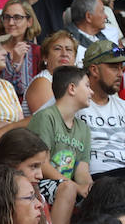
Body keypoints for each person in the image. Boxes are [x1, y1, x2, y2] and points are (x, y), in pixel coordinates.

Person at [79, 40, 125, 188]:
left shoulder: (124, 107)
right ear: (94, 70)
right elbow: (41, 120)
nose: (121, 74)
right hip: (94, 180)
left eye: (121, 68)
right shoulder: (73, 102)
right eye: (114, 68)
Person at [27, 65, 92, 195]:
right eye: (87, 86)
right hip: (37, 183)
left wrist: (90, 190)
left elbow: (82, 170)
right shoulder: (46, 117)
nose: (92, 92)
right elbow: (42, 165)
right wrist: (75, 187)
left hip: (67, 185)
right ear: (72, 88)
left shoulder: (83, 128)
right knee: (68, 190)